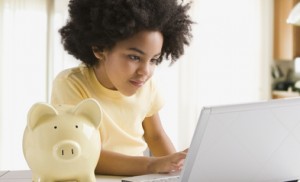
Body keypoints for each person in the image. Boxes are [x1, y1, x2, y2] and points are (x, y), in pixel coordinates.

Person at [51, 0, 193, 176]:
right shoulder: (71, 84)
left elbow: (155, 136)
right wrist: (152, 165)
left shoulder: (146, 87)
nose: (145, 71)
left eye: (153, 60)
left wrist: (179, 169)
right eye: (134, 57)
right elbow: (82, 153)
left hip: (137, 176)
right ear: (99, 48)